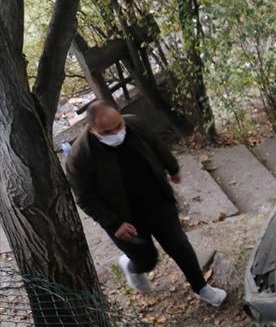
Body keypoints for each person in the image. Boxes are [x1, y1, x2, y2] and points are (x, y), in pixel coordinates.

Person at [65, 101, 227, 307]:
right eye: (108, 131)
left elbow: (157, 146)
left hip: (157, 202)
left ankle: (201, 288)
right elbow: (85, 197)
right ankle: (132, 266)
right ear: (91, 128)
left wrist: (172, 167)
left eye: (118, 125)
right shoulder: (79, 158)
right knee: (147, 260)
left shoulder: (134, 125)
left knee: (180, 246)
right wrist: (114, 224)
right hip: (125, 218)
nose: (116, 132)